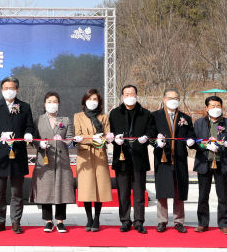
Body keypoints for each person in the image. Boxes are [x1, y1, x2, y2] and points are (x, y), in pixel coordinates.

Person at [0, 76, 35, 234]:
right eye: (6, 88)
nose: (9, 91)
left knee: (17, 192)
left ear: (17, 89)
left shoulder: (24, 107)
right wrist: (0, 134)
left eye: (12, 88)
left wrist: (28, 133)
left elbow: (29, 126)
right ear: (1, 89)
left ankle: (15, 222)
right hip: (1, 156)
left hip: (18, 154)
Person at [109, 84, 155, 234]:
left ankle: (139, 221)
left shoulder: (146, 113)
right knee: (123, 192)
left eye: (132, 93)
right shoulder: (114, 113)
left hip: (139, 158)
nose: (129, 96)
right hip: (121, 158)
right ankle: (125, 220)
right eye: (126, 94)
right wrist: (114, 138)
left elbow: (151, 131)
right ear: (122, 96)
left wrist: (146, 138)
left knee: (139, 192)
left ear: (136, 95)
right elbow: (109, 133)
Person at [152, 88, 195, 233]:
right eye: (170, 98)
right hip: (163, 158)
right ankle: (162, 221)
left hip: (180, 159)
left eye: (176, 98)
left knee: (179, 191)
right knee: (162, 191)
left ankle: (178, 221)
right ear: (164, 99)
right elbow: (150, 136)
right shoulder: (155, 116)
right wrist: (156, 143)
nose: (173, 100)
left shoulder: (185, 118)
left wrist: (191, 141)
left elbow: (191, 135)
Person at [30, 92, 75, 233]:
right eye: (49, 101)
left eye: (54, 101)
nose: (52, 104)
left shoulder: (66, 120)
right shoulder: (38, 120)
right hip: (44, 159)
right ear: (45, 104)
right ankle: (48, 221)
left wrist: (64, 140)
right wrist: (40, 145)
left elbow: (70, 139)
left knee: (62, 189)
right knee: (46, 190)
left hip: (61, 160)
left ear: (58, 104)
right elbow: (33, 140)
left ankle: (60, 221)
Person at [192, 95, 227, 234]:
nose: (215, 109)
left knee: (223, 195)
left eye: (218, 106)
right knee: (203, 195)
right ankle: (202, 223)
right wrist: (204, 146)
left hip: (222, 163)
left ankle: (223, 224)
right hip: (204, 163)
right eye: (212, 106)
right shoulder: (199, 123)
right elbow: (194, 141)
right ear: (206, 108)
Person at [73, 88, 113, 232]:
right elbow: (78, 135)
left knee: (100, 188)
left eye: (95, 99)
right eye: (90, 99)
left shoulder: (104, 116)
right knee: (87, 188)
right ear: (85, 101)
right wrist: (92, 139)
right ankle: (89, 218)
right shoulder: (78, 116)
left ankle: (97, 218)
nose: (92, 102)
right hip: (85, 155)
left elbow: (108, 135)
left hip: (100, 154)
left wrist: (108, 138)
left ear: (99, 102)